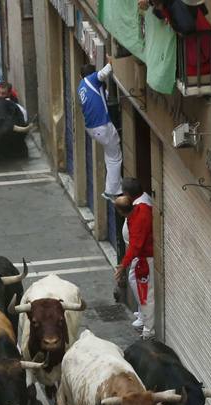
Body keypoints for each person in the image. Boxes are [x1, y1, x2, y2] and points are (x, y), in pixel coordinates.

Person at [113, 179, 153, 338]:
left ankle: (149, 330)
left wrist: (123, 265)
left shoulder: (140, 215)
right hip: (141, 257)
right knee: (143, 292)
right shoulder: (138, 209)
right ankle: (145, 318)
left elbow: (136, 244)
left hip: (145, 259)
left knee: (146, 295)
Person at [77, 62, 123, 200]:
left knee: (110, 155)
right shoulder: (91, 79)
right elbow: (103, 73)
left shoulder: (81, 87)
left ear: (80, 76)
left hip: (92, 129)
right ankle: (112, 190)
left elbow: (101, 96)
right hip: (102, 126)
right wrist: (111, 61)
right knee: (115, 158)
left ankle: (113, 186)